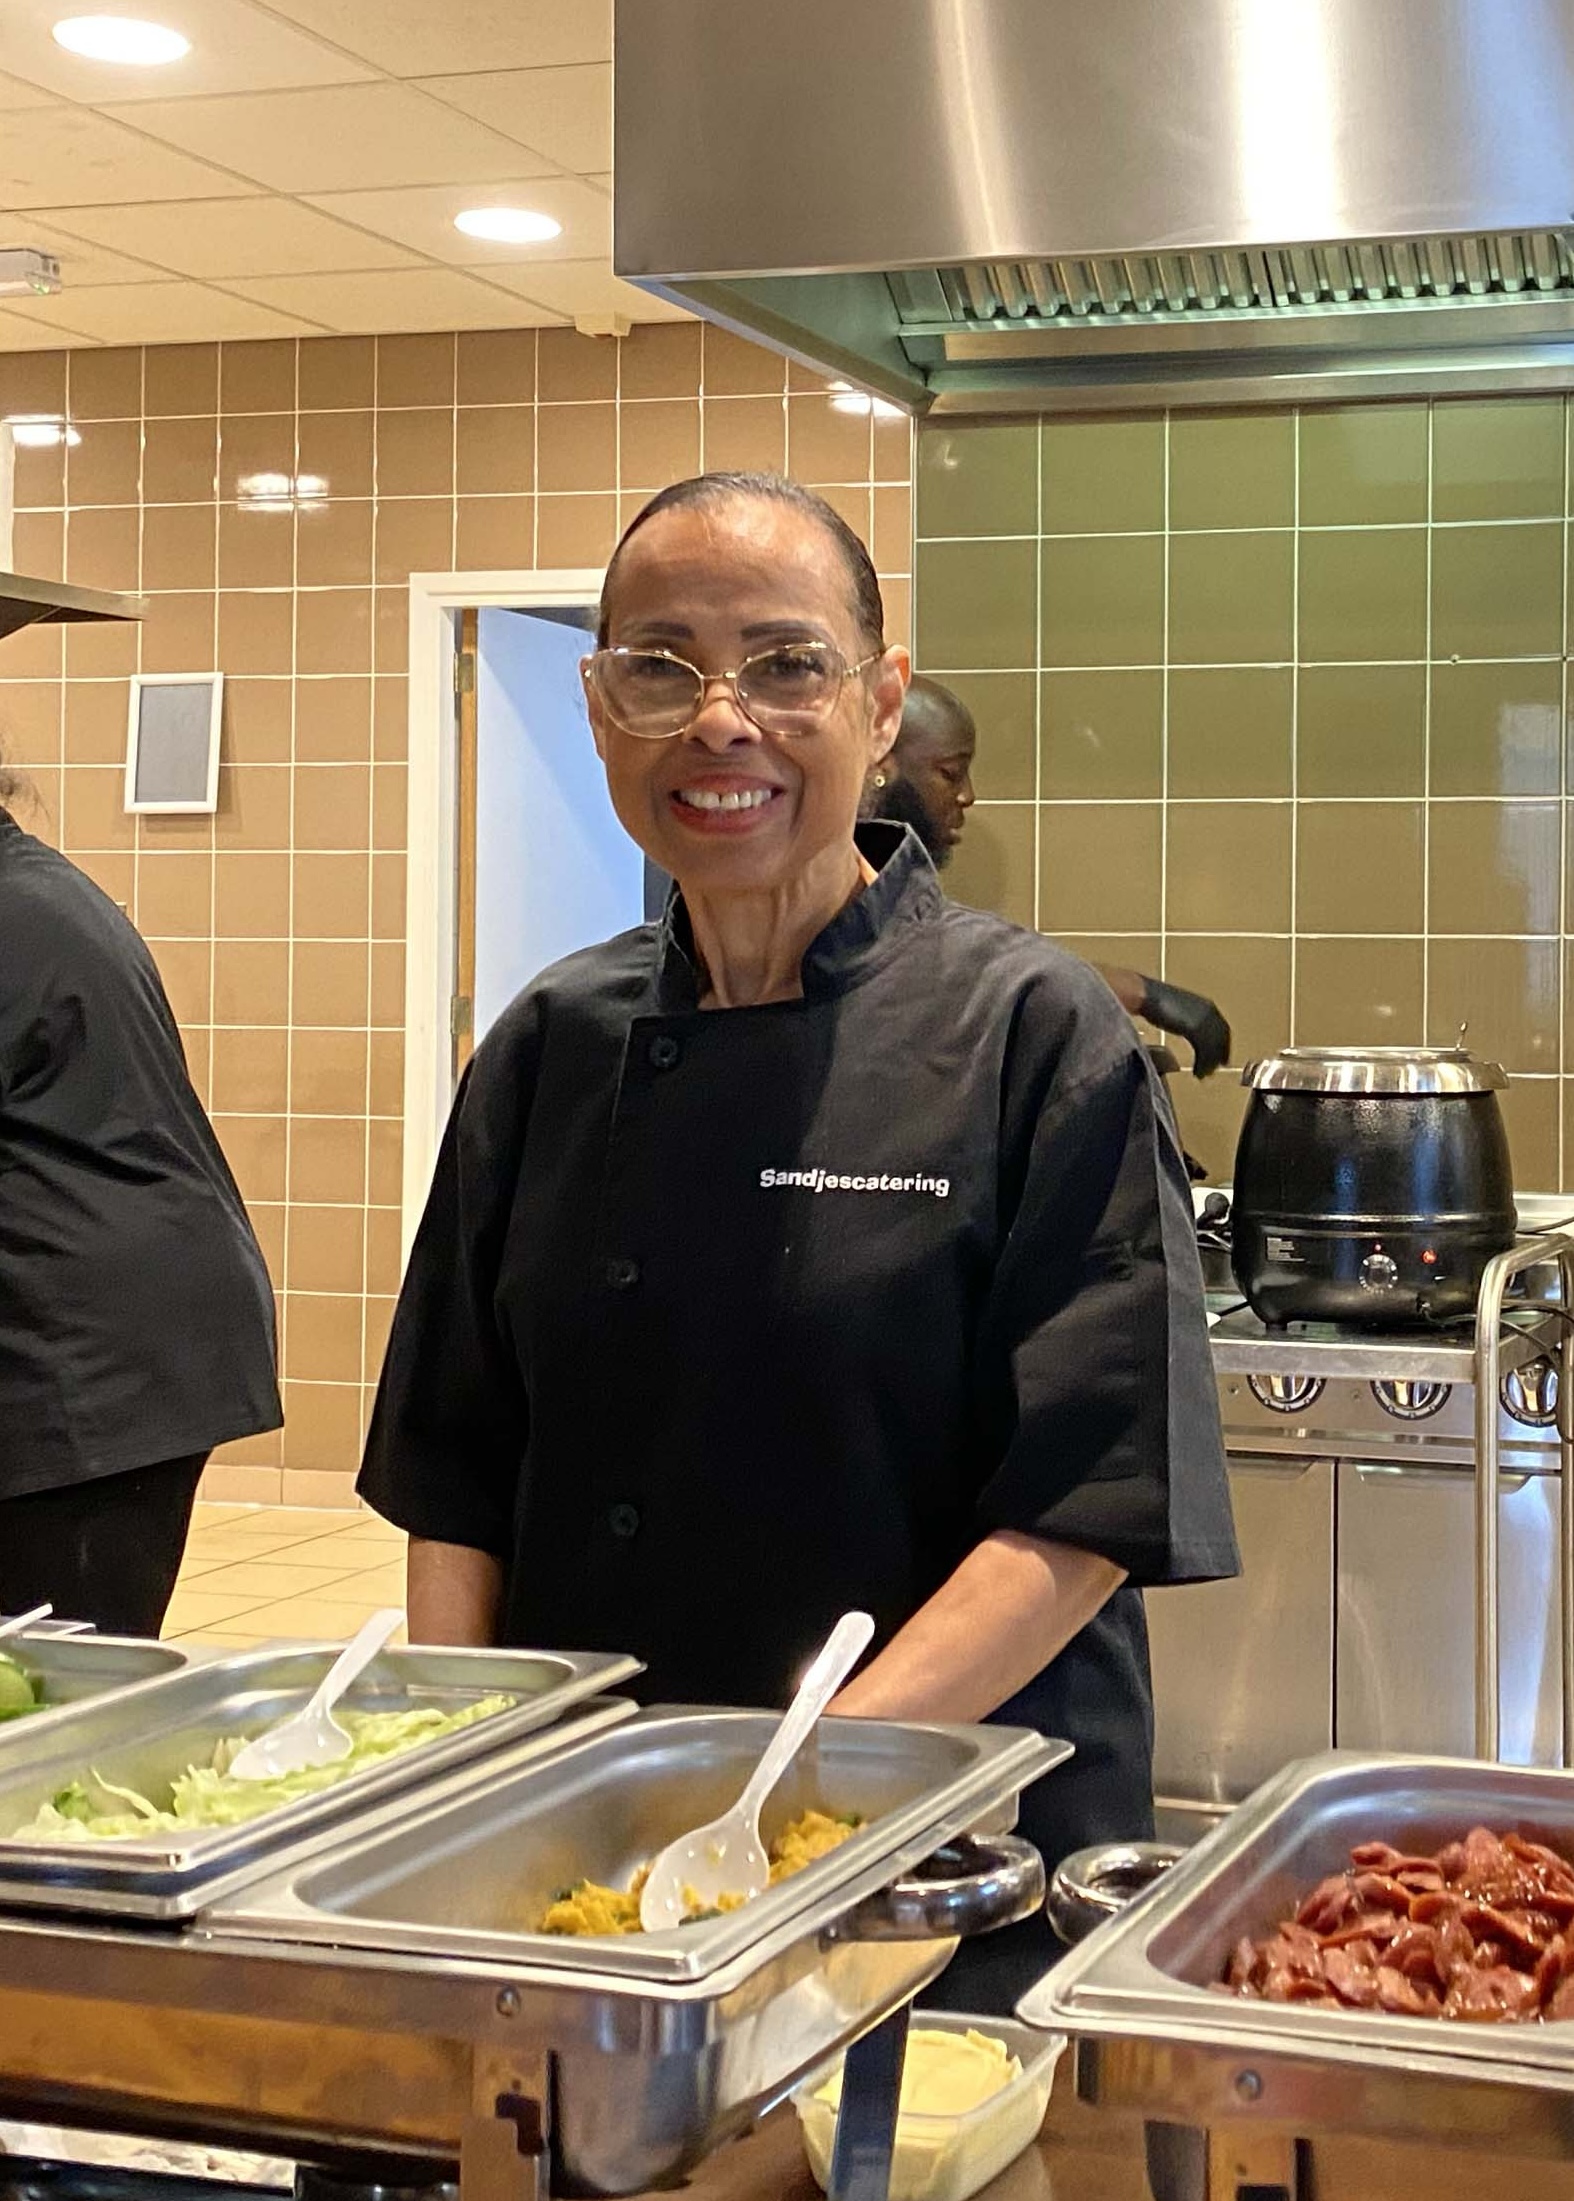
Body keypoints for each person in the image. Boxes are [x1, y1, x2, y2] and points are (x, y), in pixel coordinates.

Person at [359, 471, 1238, 2009]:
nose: (719, 720)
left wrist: (784, 1814)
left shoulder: (1032, 1036)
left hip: (937, 1863)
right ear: (595, 701)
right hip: (596, 1866)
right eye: (658, 665)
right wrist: (469, 1763)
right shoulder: (548, 1041)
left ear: (880, 703)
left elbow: (1083, 1511)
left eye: (785, 662)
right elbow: (458, 1472)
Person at [0, 781, 282, 1636]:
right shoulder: (34, 889)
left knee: (52, 1692)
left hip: (90, 1363)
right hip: (118, 1336)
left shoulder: (21, 906)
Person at [864, 675, 1234, 1079]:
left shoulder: (900, 893)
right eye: (950, 773)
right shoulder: (838, 887)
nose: (968, 795)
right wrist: (1135, 994)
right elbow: (941, 987)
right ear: (880, 761)